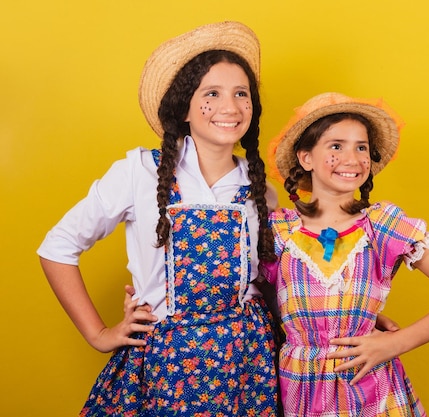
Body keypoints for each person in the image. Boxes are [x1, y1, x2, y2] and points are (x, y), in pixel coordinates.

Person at [37, 22, 280, 416]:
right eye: (212, 94)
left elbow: (274, 279)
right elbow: (58, 248)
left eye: (241, 94)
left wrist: (345, 310)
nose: (231, 107)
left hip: (246, 364)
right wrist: (99, 334)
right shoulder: (138, 172)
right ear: (184, 106)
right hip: (165, 363)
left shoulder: (262, 191)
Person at [261, 92, 429, 416]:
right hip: (301, 390)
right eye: (336, 146)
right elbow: (265, 297)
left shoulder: (382, 226)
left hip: (370, 393)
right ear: (306, 157)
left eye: (361, 147)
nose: (352, 158)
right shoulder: (277, 230)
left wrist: (395, 342)